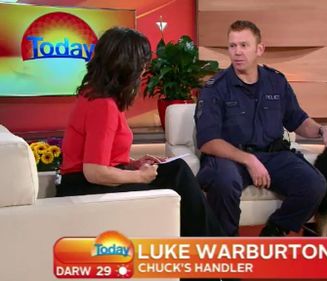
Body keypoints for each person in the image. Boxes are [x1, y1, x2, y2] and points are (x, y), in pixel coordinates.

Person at [56, 27, 222, 238]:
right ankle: (212, 256)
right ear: (128, 66)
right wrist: (139, 176)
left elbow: (101, 156)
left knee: (176, 170)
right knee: (178, 175)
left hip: (87, 180)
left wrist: (132, 163)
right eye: (142, 63)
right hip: (85, 186)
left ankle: (206, 253)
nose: (144, 69)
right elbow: (94, 171)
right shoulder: (103, 105)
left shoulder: (95, 94)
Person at [195, 20, 327, 237]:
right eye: (232, 46)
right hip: (230, 157)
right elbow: (208, 141)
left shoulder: (276, 82)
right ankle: (226, 251)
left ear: (260, 49)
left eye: (244, 45)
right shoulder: (215, 88)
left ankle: (275, 231)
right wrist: (249, 160)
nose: (237, 52)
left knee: (314, 184)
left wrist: (322, 130)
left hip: (273, 155)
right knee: (223, 182)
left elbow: (297, 120)